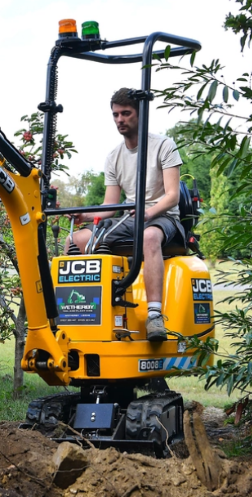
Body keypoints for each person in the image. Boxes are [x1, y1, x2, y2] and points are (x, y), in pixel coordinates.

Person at [67, 88, 183, 342]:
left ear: (140, 114)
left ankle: (154, 317)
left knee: (150, 237)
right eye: (116, 114)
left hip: (163, 217)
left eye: (126, 113)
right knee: (74, 241)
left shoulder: (164, 145)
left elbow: (172, 196)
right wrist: (84, 216)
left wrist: (147, 212)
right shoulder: (114, 156)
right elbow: (110, 205)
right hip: (130, 218)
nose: (120, 119)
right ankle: (77, 312)